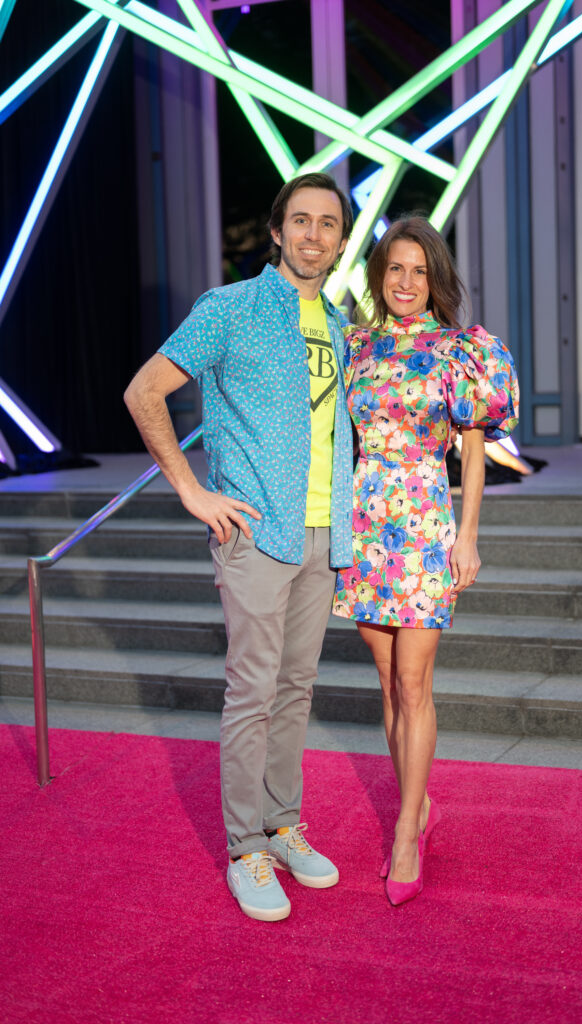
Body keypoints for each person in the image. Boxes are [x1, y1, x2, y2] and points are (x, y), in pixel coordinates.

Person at [124, 173, 354, 923]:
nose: (313, 235)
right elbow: (143, 391)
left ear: (341, 239)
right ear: (276, 230)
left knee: (295, 690)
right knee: (252, 693)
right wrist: (192, 490)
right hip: (257, 532)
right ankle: (244, 846)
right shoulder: (229, 309)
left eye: (327, 223)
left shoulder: (343, 325)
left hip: (324, 532)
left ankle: (284, 825)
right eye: (301, 221)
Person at [333, 216, 519, 906]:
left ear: (433, 278)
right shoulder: (355, 344)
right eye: (393, 269)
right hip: (361, 522)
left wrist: (466, 537)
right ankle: (419, 802)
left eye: (418, 270)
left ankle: (406, 828)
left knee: (413, 683)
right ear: (378, 277)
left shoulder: (460, 350)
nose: (405, 282)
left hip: (422, 522)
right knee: (385, 681)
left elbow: (471, 450)